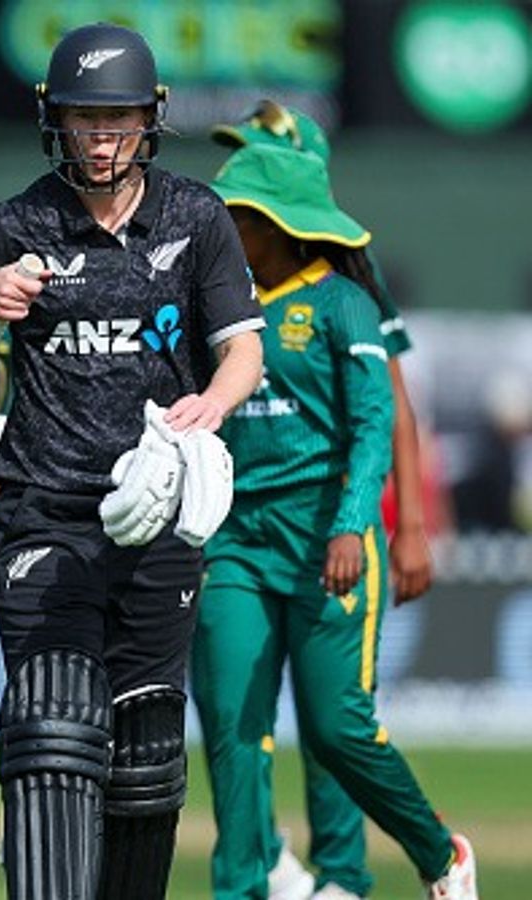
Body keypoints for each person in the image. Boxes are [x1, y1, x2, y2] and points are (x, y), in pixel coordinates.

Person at [0, 22, 265, 900]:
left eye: (120, 118)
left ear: (150, 118)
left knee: (146, 754)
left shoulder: (194, 217)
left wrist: (212, 403)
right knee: (53, 727)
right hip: (46, 515)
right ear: (55, 118)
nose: (102, 136)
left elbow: (242, 349)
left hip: (161, 513)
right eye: (86, 117)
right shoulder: (15, 222)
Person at [193, 142, 478, 900]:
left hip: (325, 538)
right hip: (233, 544)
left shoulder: (342, 303)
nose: (223, 228)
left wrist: (356, 524)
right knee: (232, 729)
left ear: (281, 226)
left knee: (336, 728)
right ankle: (243, 889)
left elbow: (376, 421)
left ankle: (437, 853)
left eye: (239, 217)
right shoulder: (214, 301)